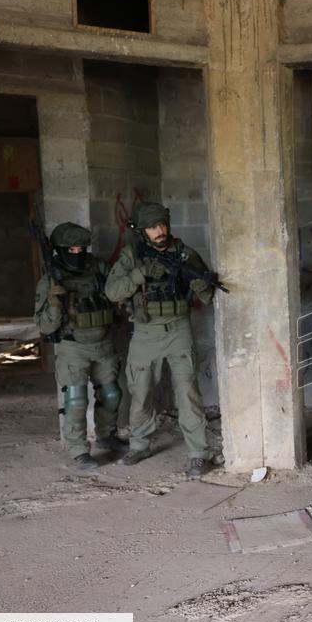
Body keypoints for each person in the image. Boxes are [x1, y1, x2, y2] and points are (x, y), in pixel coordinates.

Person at [105, 202, 216, 478]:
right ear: (143, 231)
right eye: (153, 227)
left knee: (188, 392)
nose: (160, 231)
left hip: (178, 329)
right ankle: (140, 445)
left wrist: (200, 281)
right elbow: (112, 291)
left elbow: (207, 295)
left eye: (163, 225)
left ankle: (198, 454)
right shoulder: (133, 255)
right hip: (145, 333)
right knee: (141, 392)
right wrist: (139, 273)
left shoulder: (183, 253)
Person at [33, 222, 126, 470]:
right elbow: (44, 327)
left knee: (111, 394)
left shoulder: (97, 267)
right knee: (75, 401)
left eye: (81, 248)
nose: (78, 254)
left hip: (103, 342)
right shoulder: (49, 280)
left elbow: (118, 285)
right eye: (71, 250)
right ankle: (78, 450)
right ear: (61, 250)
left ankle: (106, 436)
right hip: (73, 347)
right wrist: (54, 303)